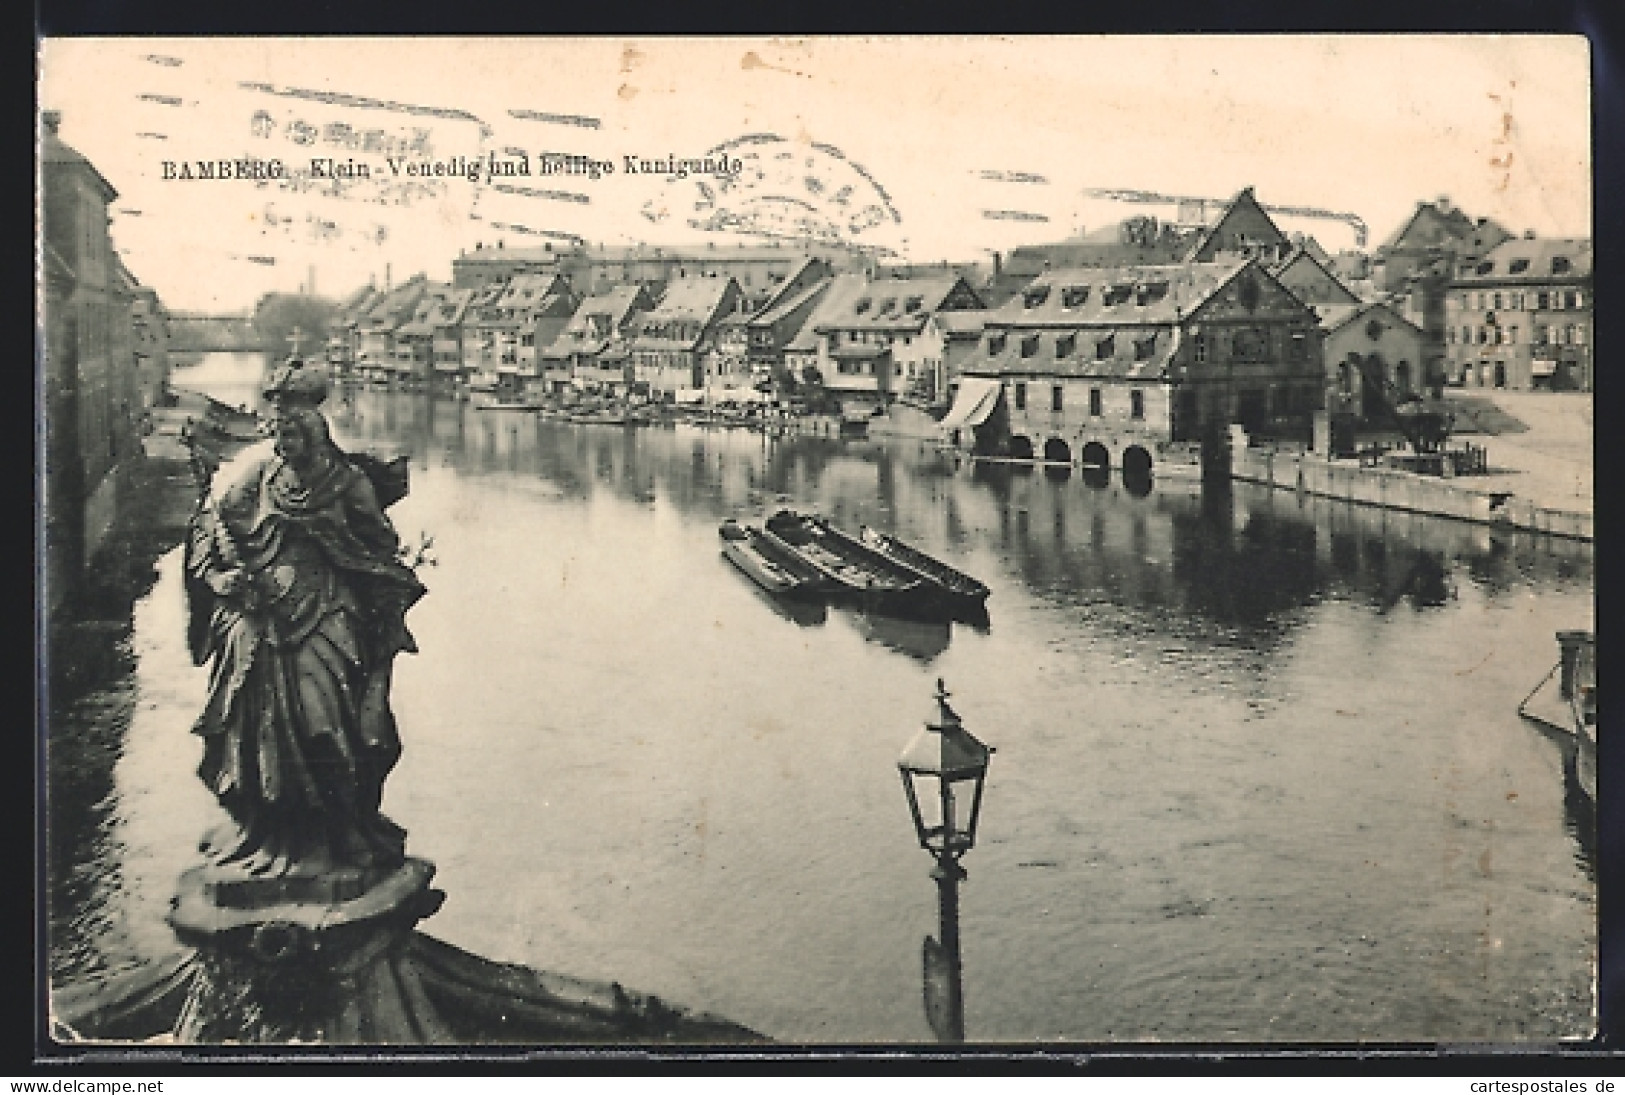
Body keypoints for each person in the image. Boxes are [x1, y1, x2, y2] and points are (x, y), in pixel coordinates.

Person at [184, 359, 426, 878]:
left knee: (326, 724)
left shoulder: (348, 485)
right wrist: (221, 580)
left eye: (290, 431)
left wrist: (355, 571)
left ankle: (336, 834)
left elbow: (381, 549)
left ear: (314, 431)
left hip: (326, 611)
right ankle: (267, 830)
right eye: (275, 431)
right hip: (262, 615)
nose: (281, 440)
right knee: (248, 721)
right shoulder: (257, 479)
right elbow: (212, 527)